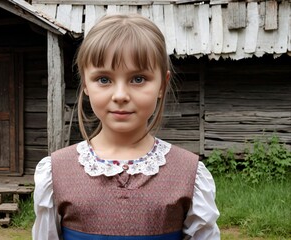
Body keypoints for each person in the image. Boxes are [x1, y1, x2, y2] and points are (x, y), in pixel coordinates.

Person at [32, 13, 220, 240]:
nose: (120, 95)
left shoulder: (190, 175)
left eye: (138, 79)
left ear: (163, 84)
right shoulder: (56, 173)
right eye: (104, 79)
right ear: (85, 84)